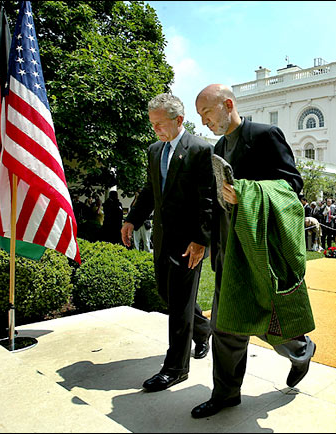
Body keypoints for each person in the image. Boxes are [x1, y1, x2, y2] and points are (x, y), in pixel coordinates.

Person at [192, 84, 317, 419]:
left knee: (265, 321)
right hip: (227, 250)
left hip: (258, 249)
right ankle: (226, 394)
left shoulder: (265, 135)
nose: (205, 123)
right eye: (201, 117)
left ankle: (301, 349)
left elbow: (292, 185)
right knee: (225, 326)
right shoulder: (219, 146)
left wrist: (245, 192)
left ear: (227, 104)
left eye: (207, 114)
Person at [121, 93, 213, 392]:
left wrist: (201, 240)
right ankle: (203, 329)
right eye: (153, 124)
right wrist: (132, 219)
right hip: (162, 239)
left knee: (180, 304)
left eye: (160, 124)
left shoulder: (200, 150)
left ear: (178, 120)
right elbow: (150, 190)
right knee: (167, 294)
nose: (156, 130)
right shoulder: (154, 151)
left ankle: (175, 368)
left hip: (189, 243)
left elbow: (208, 200)